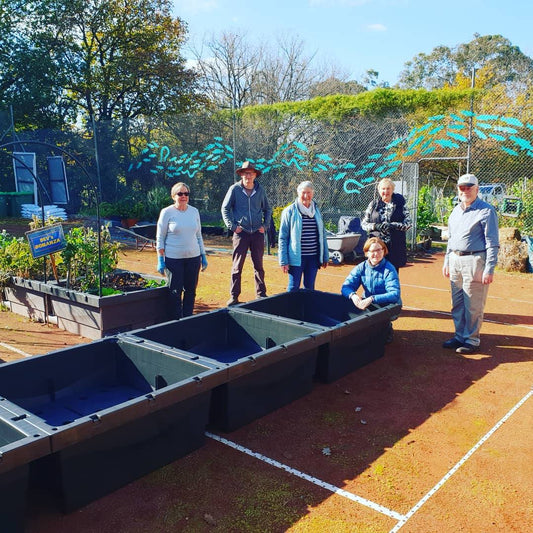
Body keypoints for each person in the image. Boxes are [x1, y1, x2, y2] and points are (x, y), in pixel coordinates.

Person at [442, 173, 499, 354]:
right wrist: (447, 261)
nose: (465, 190)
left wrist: (489, 268)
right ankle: (459, 336)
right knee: (457, 303)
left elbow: (492, 242)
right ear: (458, 189)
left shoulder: (486, 211)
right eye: (462, 187)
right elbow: (450, 240)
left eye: (469, 187)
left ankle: (471, 340)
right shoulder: (455, 210)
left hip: (475, 261)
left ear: (477, 189)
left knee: (472, 304)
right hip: (455, 260)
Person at [221, 161, 272, 306]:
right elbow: (225, 209)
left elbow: (267, 209)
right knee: (237, 266)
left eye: (251, 173)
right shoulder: (235, 189)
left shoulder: (260, 190)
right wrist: (232, 226)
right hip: (241, 233)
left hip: (257, 233)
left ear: (255, 175)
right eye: (245, 173)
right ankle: (234, 296)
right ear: (241, 174)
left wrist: (265, 225)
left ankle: (261, 294)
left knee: (259, 266)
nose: (248, 176)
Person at [156, 182, 208, 319]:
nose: (183, 196)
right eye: (180, 193)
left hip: (193, 258)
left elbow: (198, 235)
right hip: (174, 259)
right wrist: (160, 259)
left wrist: (203, 255)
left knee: (191, 291)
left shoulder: (194, 211)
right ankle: (175, 321)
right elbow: (160, 237)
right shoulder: (167, 212)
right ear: (173, 196)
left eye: (186, 193)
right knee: (175, 292)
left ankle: (187, 319)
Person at [341, 237, 401, 342]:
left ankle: (387, 327)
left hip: (388, 303)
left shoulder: (389, 269)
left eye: (379, 250)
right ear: (366, 253)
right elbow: (346, 287)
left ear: (384, 251)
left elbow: (395, 294)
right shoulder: (361, 267)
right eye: (372, 251)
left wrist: (372, 298)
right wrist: (353, 296)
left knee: (381, 337)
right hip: (368, 300)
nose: (376, 254)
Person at [278, 181, 329, 291]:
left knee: (310, 288)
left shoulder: (316, 211)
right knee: (293, 287)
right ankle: (290, 308)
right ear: (298, 193)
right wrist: (283, 260)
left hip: (313, 258)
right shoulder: (289, 211)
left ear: (313, 193)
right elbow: (283, 237)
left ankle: (307, 308)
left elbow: (322, 235)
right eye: (303, 192)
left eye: (309, 192)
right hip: (296, 258)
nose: (306, 196)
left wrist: (325, 256)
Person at [361, 178, 412, 274]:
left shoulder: (400, 204)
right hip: (377, 247)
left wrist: (394, 225)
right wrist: (376, 226)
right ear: (379, 190)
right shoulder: (373, 204)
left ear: (392, 190)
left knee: (392, 274)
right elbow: (364, 224)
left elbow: (408, 224)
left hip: (394, 246)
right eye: (383, 189)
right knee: (376, 274)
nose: (385, 191)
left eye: (388, 188)